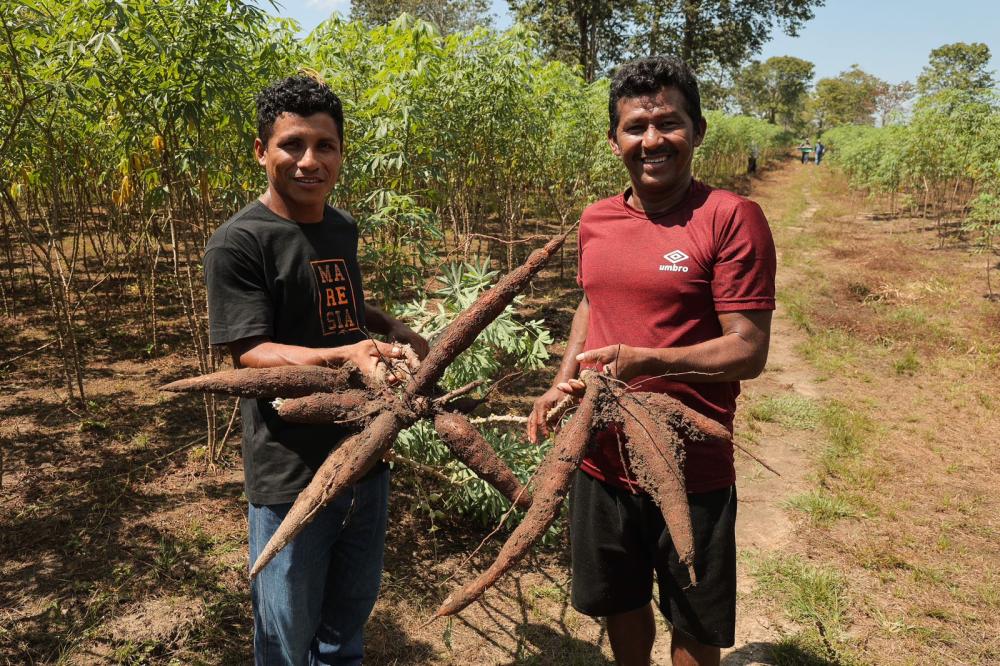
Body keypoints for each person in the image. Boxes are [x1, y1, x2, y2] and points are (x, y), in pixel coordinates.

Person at [527, 56, 775, 666]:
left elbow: (748, 348)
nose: (652, 140)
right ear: (615, 141)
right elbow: (593, 302)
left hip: (692, 464)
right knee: (619, 599)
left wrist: (643, 362)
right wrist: (564, 382)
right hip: (600, 454)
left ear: (698, 129)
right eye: (636, 127)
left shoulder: (730, 218)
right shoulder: (597, 220)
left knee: (694, 615)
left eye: (669, 123)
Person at [204, 75, 428, 665]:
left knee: (344, 631)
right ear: (262, 152)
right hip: (291, 472)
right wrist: (346, 355)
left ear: (340, 153)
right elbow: (249, 351)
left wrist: (386, 327)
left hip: (365, 455)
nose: (309, 160)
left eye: (324, 146)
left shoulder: (340, 227)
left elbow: (336, 303)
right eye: (292, 145)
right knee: (285, 636)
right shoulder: (240, 242)